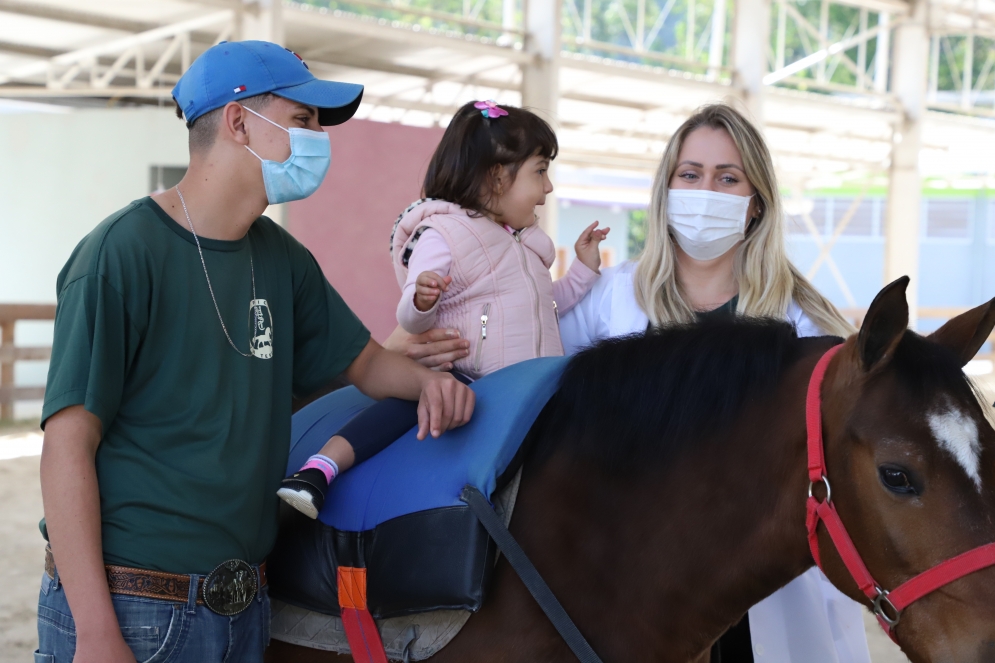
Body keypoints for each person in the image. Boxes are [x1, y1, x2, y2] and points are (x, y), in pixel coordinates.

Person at [36, 40, 474, 663]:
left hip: (244, 606)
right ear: (239, 122)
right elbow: (66, 445)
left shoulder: (282, 258)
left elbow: (368, 364)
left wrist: (434, 384)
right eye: (303, 119)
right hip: (132, 606)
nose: (318, 138)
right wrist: (96, 632)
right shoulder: (120, 254)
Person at [558, 103, 869, 662]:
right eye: (690, 175)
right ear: (666, 191)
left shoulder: (804, 325)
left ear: (756, 203)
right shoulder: (609, 299)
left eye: (728, 178)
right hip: (626, 589)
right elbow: (539, 391)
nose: (706, 192)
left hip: (760, 597)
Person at [278, 99, 609, 518]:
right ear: (497, 177)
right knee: (416, 399)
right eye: (540, 171)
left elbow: (547, 305)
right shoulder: (444, 233)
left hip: (533, 383)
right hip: (469, 374)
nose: (548, 188)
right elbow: (411, 317)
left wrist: (584, 268)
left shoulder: (525, 245)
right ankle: (322, 467)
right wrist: (422, 299)